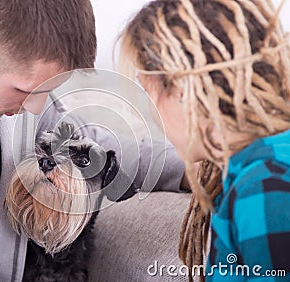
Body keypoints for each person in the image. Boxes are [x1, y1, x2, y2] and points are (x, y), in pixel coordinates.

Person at [0, 0, 188, 281]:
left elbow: (111, 150)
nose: (37, 108)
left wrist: (201, 168)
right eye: (28, 91)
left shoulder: (16, 105)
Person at [119, 0, 290, 281]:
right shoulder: (254, 173)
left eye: (146, 89)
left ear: (182, 88)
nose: (149, 110)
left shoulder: (263, 188)